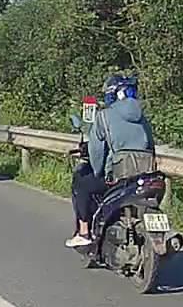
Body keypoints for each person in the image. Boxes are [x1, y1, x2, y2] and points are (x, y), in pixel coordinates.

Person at [67, 75, 158, 248]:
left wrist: (98, 170)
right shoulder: (143, 119)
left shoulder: (104, 116)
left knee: (82, 183)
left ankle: (84, 232)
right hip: (145, 175)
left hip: (119, 175)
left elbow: (96, 151)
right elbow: (151, 147)